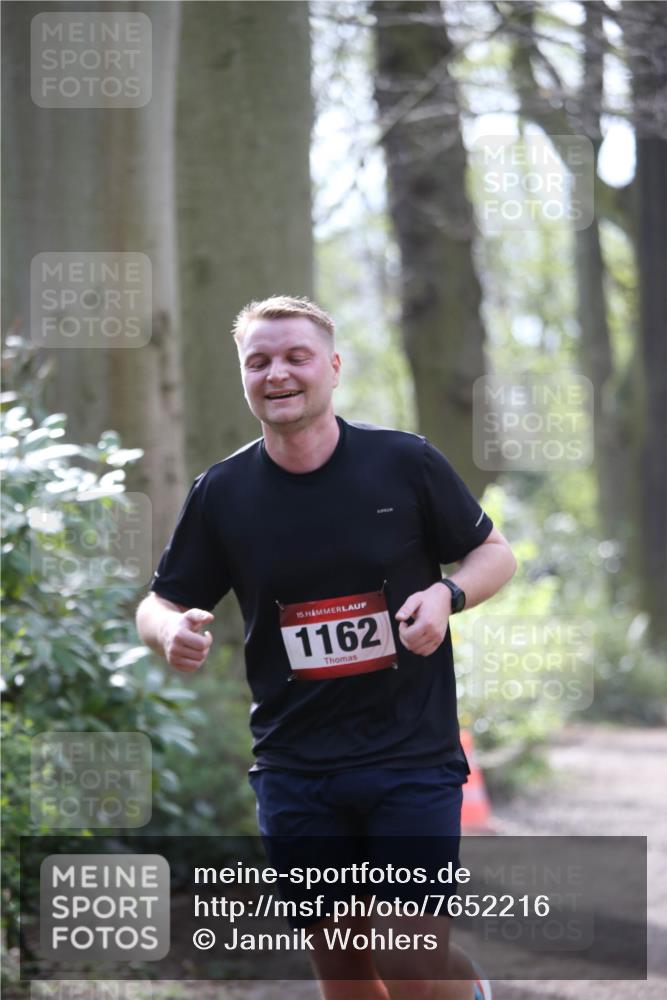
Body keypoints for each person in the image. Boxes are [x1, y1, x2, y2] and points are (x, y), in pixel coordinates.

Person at [136, 295, 516, 1000]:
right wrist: (170, 630)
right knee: (344, 967)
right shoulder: (223, 492)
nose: (276, 372)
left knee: (407, 958)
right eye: (259, 361)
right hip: (295, 764)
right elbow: (158, 601)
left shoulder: (403, 463)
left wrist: (446, 595)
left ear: (332, 368)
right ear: (244, 378)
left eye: (294, 356)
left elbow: (493, 554)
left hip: (410, 753)